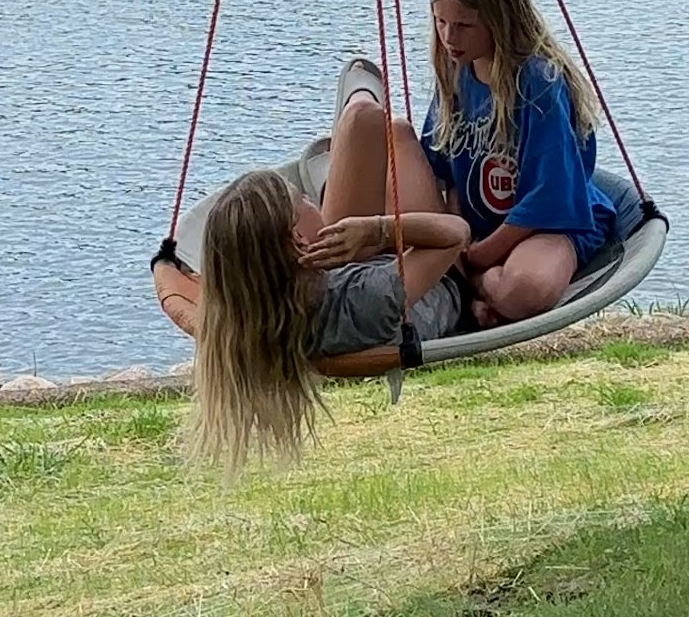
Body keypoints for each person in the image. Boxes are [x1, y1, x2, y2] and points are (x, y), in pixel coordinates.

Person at [153, 59, 471, 465]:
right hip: (441, 273)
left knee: (367, 123)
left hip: (344, 264)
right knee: (395, 131)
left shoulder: (241, 318)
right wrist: (378, 231)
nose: (308, 201)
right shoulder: (365, 298)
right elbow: (455, 235)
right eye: (303, 200)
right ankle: (355, 97)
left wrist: (165, 264)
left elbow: (182, 297)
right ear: (298, 238)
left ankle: (352, 111)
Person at [420, 0, 642, 328]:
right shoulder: (456, 73)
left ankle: (473, 288)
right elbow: (446, 170)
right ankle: (479, 297)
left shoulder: (538, 82)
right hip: (479, 228)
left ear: (500, 21)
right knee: (397, 137)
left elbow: (551, 193)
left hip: (550, 225)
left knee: (525, 289)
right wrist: (457, 233)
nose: (449, 38)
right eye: (441, 22)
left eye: (464, 25)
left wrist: (481, 256)